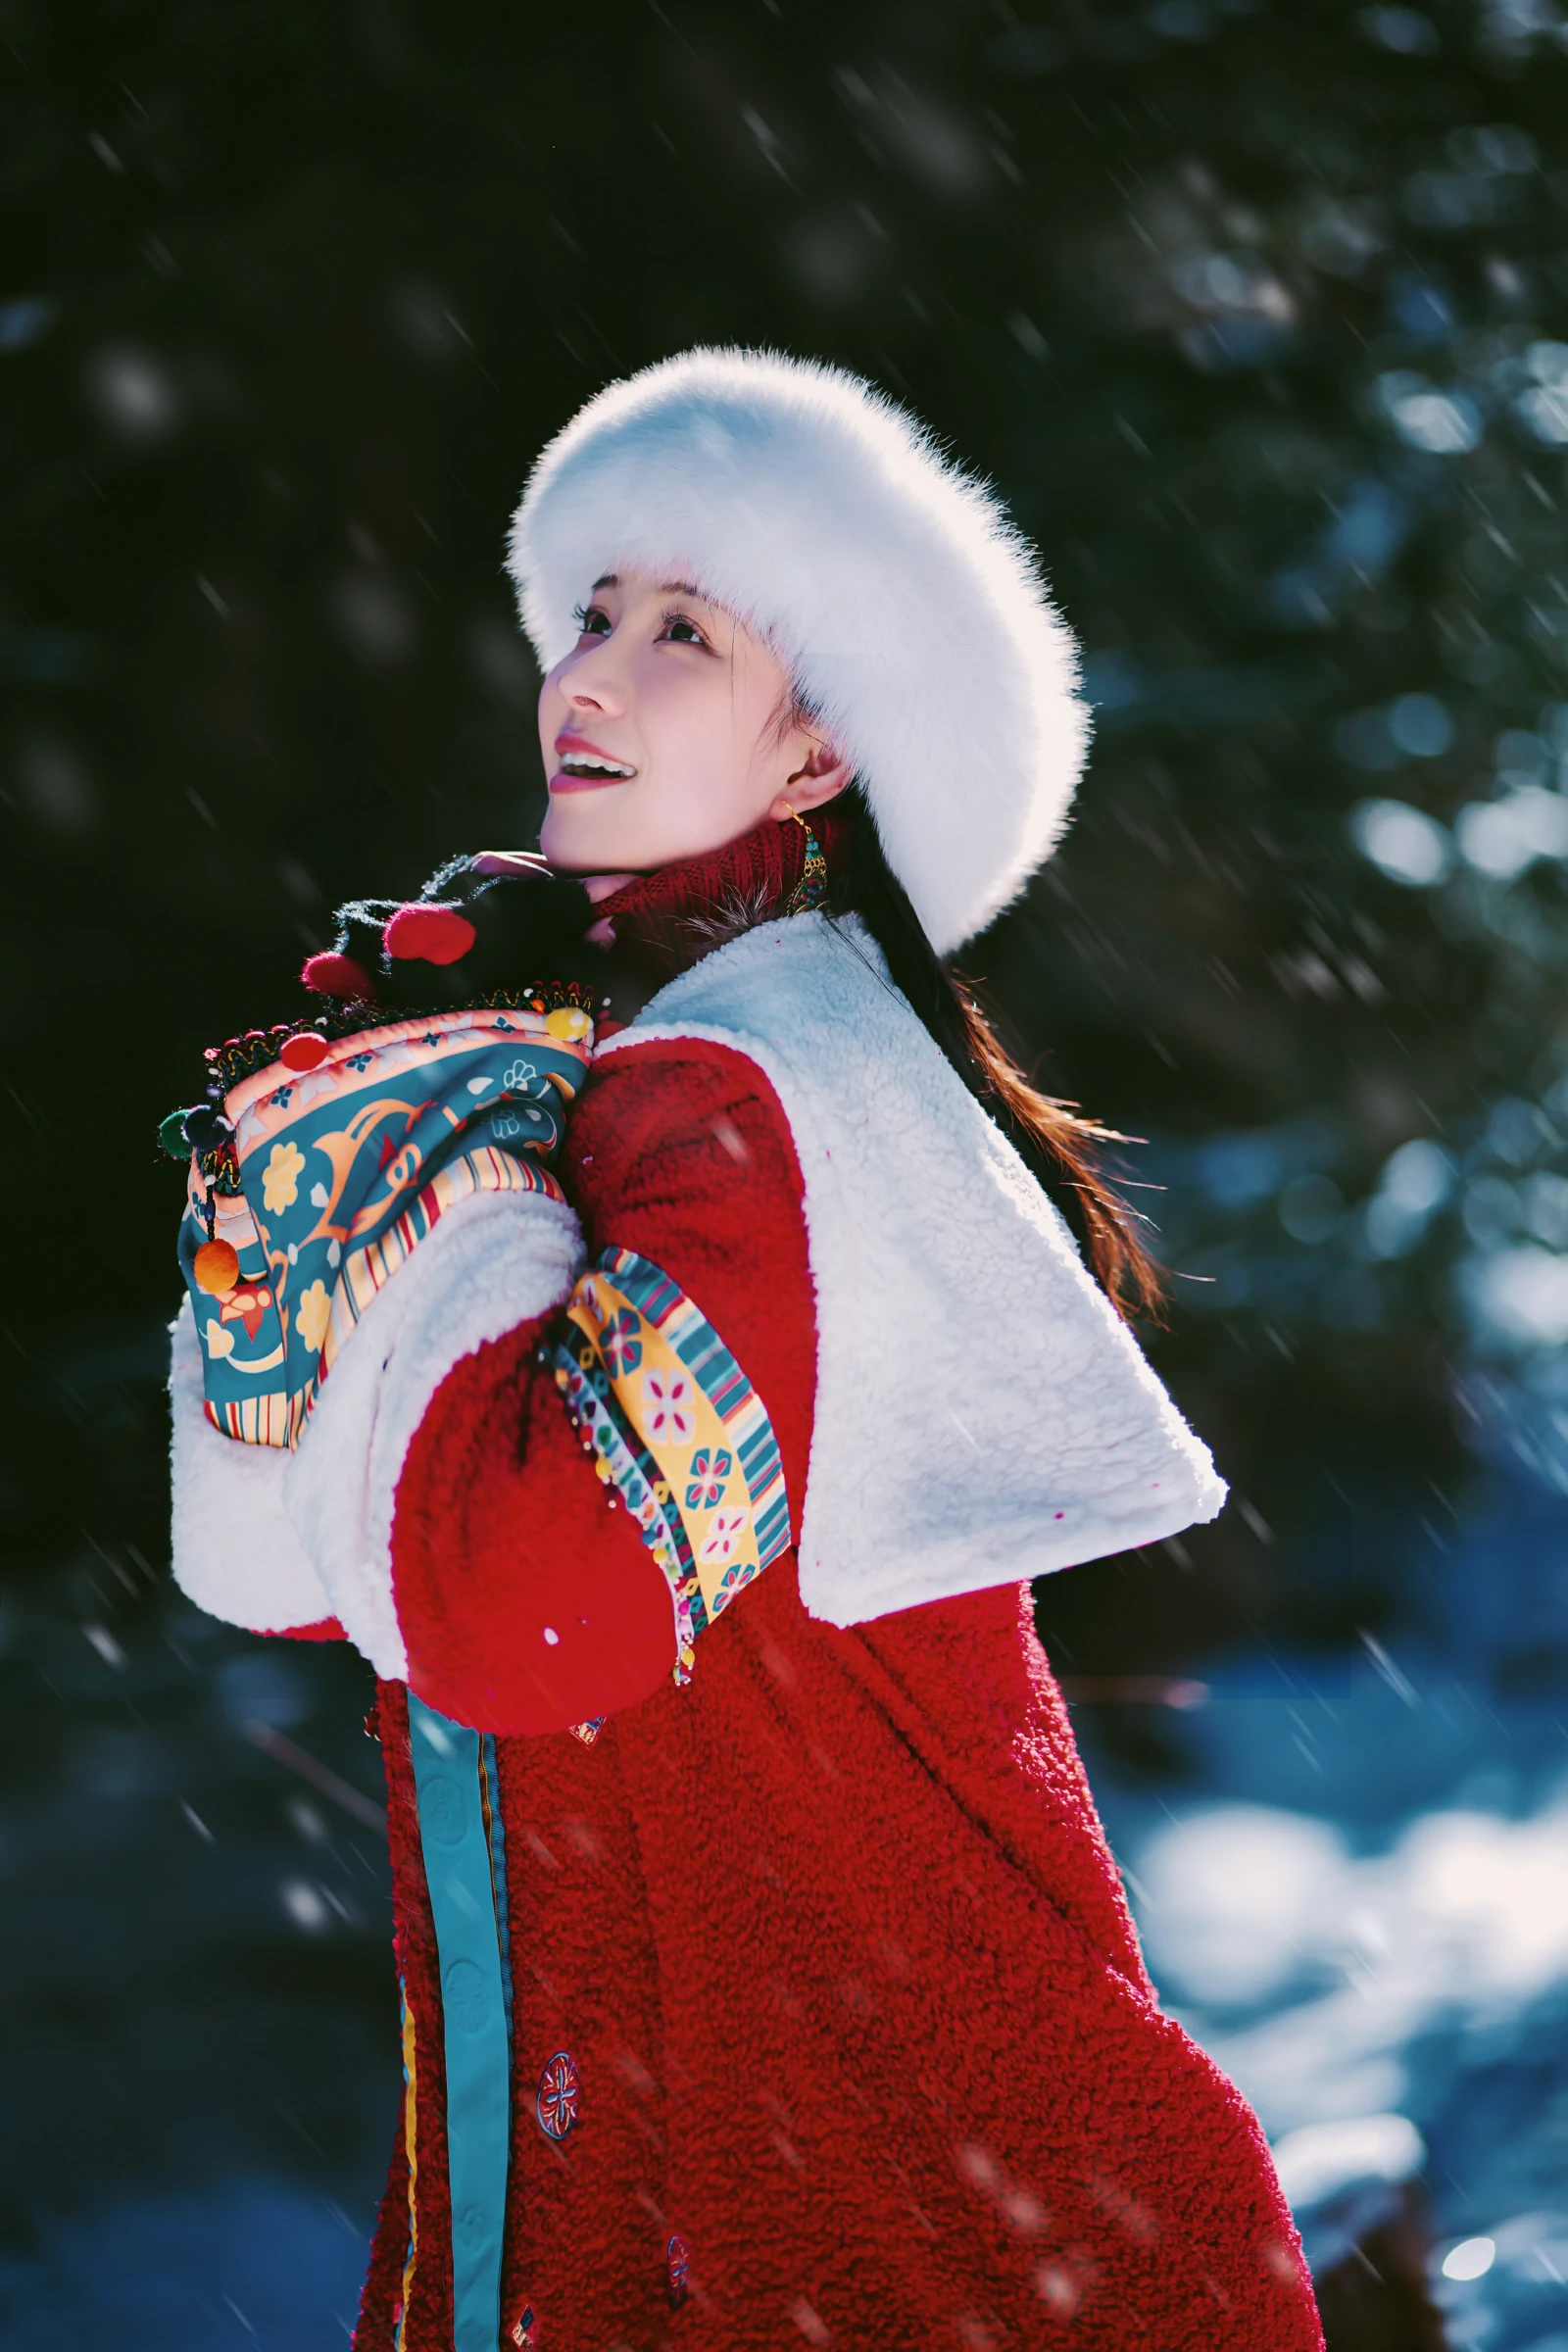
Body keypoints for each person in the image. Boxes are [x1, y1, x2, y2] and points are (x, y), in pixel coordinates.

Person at [169, 349, 1324, 2351]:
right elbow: (283, 1580)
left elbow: (524, 1626)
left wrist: (462, 1186)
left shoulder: (742, 1090)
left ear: (818, 756)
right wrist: (295, 1232)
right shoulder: (628, 1060)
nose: (586, 676)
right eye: (589, 613)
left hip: (855, 2176)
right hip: (715, 2144)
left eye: (683, 631)